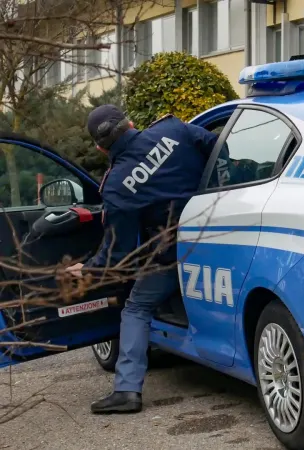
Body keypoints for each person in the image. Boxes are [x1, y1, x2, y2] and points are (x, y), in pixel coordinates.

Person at [66, 105, 223, 414]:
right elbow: (221, 149)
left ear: (100, 148)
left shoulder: (116, 186)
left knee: (136, 308)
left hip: (173, 254)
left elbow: (119, 253)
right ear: (131, 123)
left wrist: (87, 269)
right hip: (223, 237)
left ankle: (127, 390)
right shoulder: (173, 129)